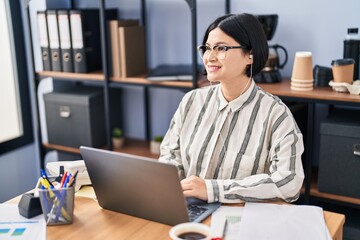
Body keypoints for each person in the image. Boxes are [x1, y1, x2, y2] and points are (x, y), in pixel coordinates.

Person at [159, 13, 304, 203]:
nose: (209, 57)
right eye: (207, 48)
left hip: (241, 218)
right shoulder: (191, 101)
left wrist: (212, 190)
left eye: (221, 48)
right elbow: (170, 154)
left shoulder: (276, 114)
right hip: (188, 211)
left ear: (250, 55)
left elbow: (289, 182)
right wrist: (172, 186)